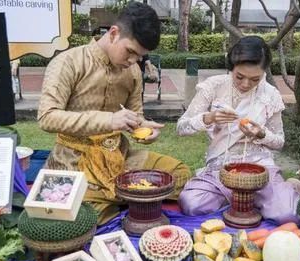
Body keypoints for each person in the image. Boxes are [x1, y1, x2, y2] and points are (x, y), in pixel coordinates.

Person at [37, 2, 191, 224]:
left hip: (119, 158)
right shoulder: (68, 63)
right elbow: (47, 117)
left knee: (180, 174)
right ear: (114, 33)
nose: (132, 61)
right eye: (130, 52)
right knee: (84, 217)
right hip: (74, 160)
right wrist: (108, 120)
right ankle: (129, 198)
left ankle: (121, 197)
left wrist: (144, 131)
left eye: (139, 57)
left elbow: (135, 118)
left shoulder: (133, 72)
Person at [176, 36, 300, 224]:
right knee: (192, 204)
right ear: (231, 67)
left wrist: (261, 134)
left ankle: (285, 188)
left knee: (288, 215)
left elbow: (279, 142)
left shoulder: (270, 94)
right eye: (239, 77)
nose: (245, 84)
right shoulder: (214, 86)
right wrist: (208, 118)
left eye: (255, 79)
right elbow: (181, 127)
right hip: (222, 166)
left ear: (264, 73)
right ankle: (252, 200)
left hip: (259, 168)